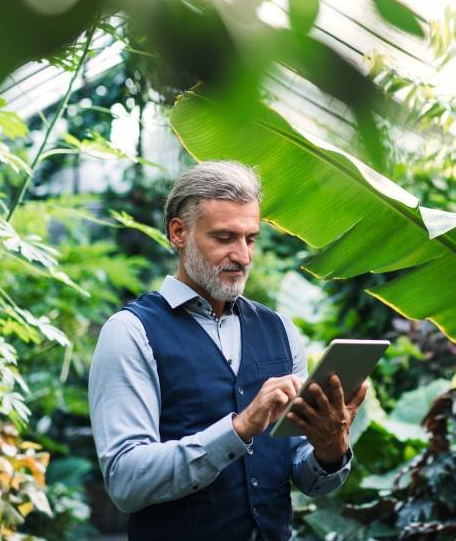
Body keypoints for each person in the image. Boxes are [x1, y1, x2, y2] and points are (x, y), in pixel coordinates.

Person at [89, 160, 368, 541]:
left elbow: (307, 478)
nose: (243, 256)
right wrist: (237, 429)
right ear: (178, 232)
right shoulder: (130, 333)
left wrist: (330, 448)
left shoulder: (281, 331)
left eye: (250, 238)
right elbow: (125, 481)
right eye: (224, 238)